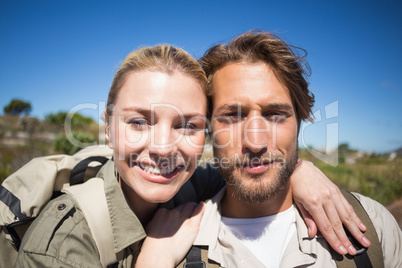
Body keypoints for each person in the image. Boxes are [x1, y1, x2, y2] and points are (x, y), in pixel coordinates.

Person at [15, 44, 369, 267]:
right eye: (138, 122)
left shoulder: (191, 182)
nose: (163, 148)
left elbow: (250, 170)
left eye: (187, 125)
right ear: (107, 128)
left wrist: (297, 170)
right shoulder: (60, 250)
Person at [146, 30, 400, 267]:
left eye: (275, 114)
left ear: (300, 122)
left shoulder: (373, 224)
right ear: (208, 127)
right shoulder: (168, 243)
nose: (255, 142)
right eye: (232, 117)